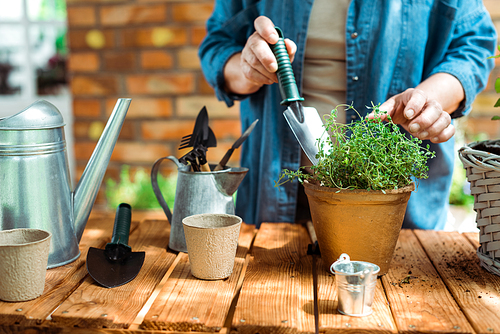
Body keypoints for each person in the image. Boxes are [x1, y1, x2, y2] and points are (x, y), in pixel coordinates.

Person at [199, 0, 497, 229]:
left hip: (393, 203)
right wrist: (248, 68)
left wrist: (426, 100)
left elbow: (472, 47)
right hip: (278, 197)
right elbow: (217, 46)